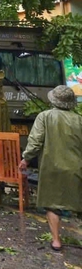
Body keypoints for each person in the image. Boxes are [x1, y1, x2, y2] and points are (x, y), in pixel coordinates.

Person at [19, 85, 82, 252]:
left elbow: (35, 141)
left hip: (52, 168)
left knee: (52, 204)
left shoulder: (44, 117)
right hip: (77, 168)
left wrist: (25, 158)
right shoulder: (79, 119)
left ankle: (56, 241)